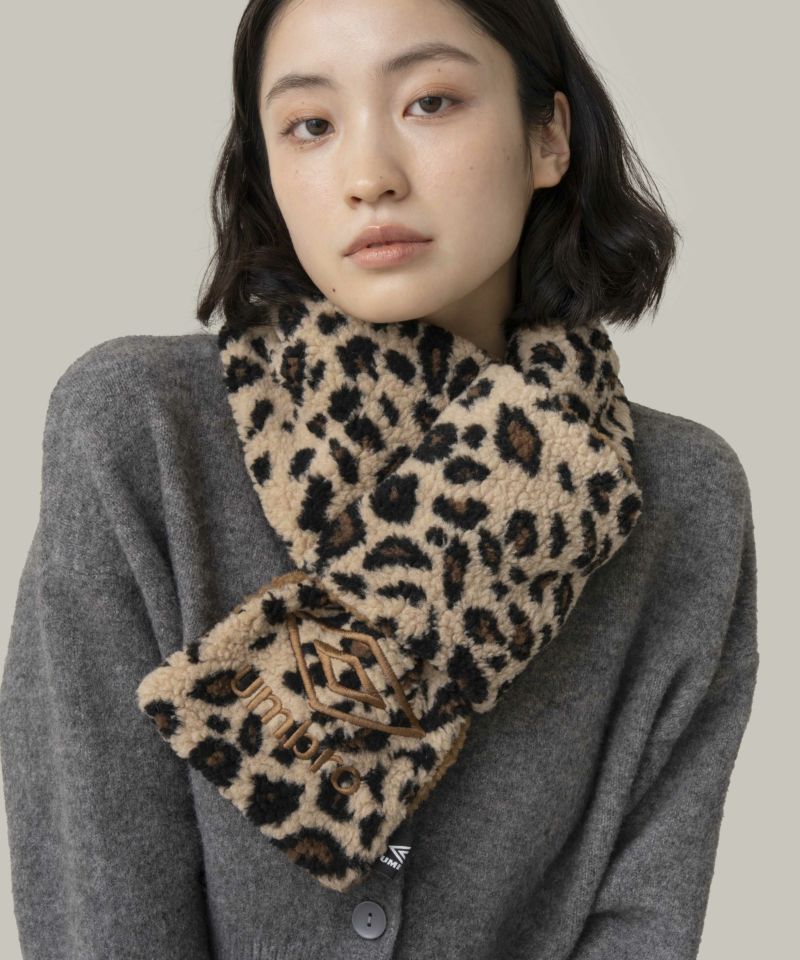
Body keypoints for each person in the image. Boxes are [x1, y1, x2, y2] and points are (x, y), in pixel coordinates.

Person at [0, 1, 759, 958]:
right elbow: (98, 907)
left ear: (548, 136)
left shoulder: (685, 501)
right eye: (311, 124)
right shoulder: (139, 434)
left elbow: (644, 924)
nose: (369, 176)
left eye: (430, 102)